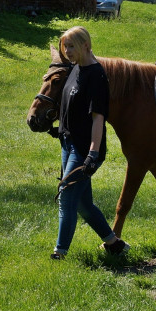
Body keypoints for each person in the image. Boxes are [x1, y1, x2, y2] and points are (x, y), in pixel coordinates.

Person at [51, 26, 127, 260]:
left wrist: (93, 153)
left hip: (84, 149)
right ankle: (115, 245)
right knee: (83, 205)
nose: (67, 51)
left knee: (67, 198)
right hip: (68, 143)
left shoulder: (96, 75)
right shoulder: (76, 68)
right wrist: (60, 128)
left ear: (86, 45)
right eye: (65, 46)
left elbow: (98, 118)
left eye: (71, 46)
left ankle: (59, 253)